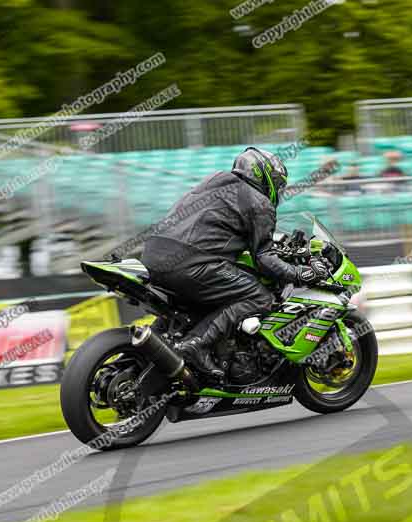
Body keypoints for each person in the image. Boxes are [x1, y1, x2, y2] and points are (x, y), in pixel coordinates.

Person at [141, 148, 329, 379]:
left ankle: (154, 346)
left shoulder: (214, 181)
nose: (277, 191)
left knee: (193, 306)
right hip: (191, 263)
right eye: (278, 184)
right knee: (260, 297)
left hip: (153, 253)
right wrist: (301, 273)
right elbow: (264, 259)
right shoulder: (259, 203)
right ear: (266, 177)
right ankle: (197, 344)